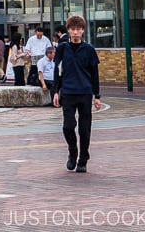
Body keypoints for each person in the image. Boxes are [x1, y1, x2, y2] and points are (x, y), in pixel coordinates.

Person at [53, 15, 101, 173]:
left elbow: (95, 73)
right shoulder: (62, 48)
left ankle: (83, 158)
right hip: (67, 91)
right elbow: (57, 71)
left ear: (82, 31)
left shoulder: (89, 50)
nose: (75, 32)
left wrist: (97, 96)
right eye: (72, 29)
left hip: (85, 92)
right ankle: (72, 152)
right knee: (68, 126)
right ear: (68, 30)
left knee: (84, 129)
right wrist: (55, 92)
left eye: (78, 29)